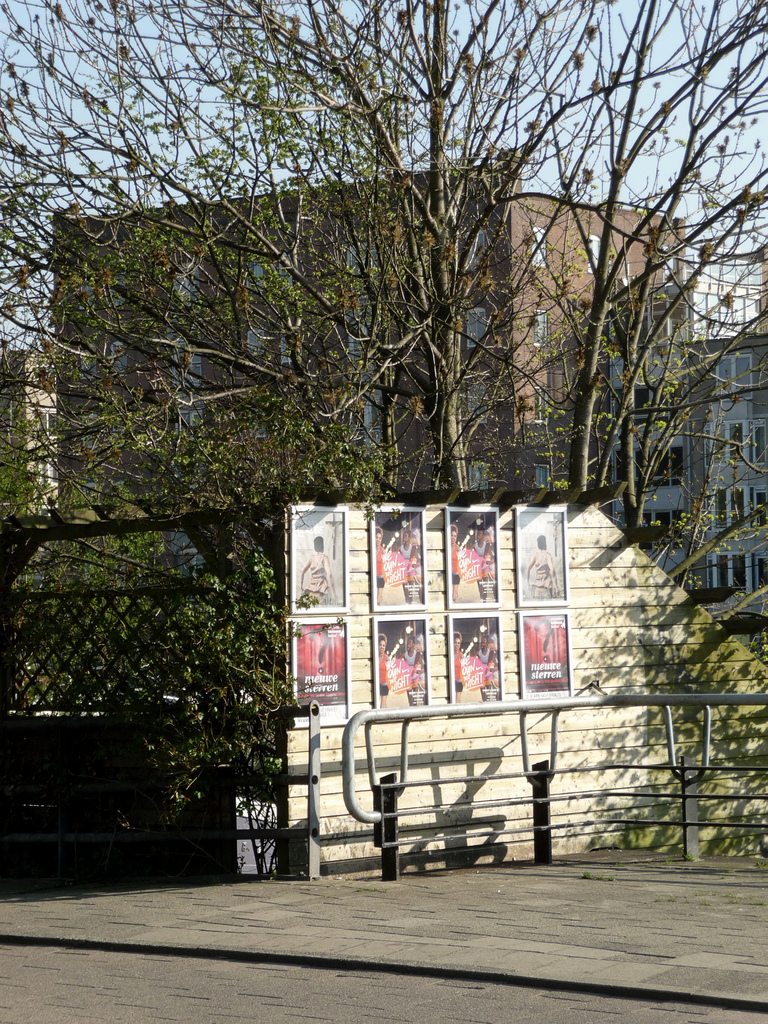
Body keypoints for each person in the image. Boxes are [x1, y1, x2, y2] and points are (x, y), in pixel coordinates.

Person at [299, 535, 335, 606]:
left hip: (312, 588)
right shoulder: (324, 558)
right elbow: (329, 574)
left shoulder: (311, 558)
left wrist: (301, 587)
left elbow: (302, 571)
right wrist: (332, 592)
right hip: (322, 588)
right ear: (322, 545)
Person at [526, 534, 557, 601]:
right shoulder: (548, 555)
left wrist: (527, 583)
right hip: (546, 585)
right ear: (545, 543)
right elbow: (552, 570)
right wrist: (555, 585)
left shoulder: (535, 555)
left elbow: (528, 568)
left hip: (537, 585)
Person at [377, 633, 390, 708]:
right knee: (377, 705)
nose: (382, 647)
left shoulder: (386, 658)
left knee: (382, 706)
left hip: (384, 684)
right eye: (380, 645)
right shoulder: (375, 657)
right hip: (377, 684)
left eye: (383, 645)